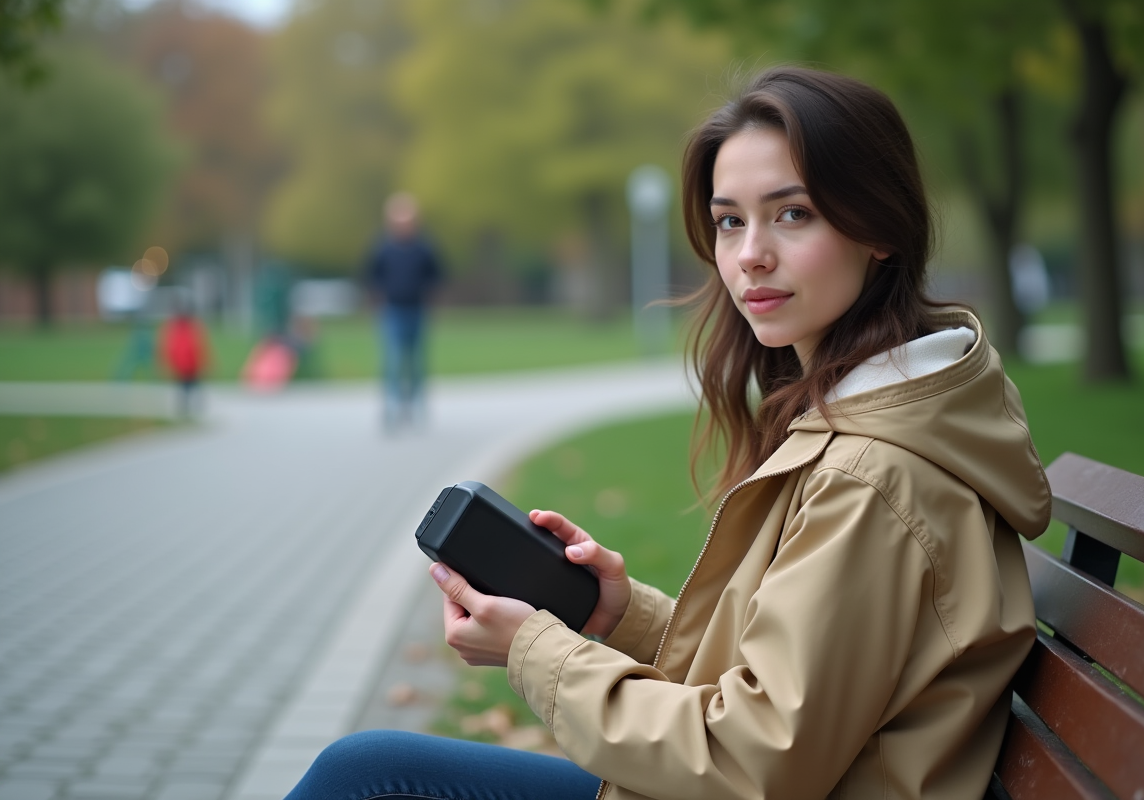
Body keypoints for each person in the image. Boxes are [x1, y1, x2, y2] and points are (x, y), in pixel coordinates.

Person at [285, 66, 1050, 800]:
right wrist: (615, 618)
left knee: (369, 777)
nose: (750, 254)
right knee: (368, 772)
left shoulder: (876, 480)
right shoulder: (875, 425)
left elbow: (751, 762)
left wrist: (533, 650)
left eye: (793, 213)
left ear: (878, 228)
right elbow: (787, 702)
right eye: (729, 221)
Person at [364, 192, 442, 430]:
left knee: (416, 363)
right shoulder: (383, 248)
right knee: (393, 361)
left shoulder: (423, 248)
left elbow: (437, 275)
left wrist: (429, 295)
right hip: (393, 310)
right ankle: (391, 407)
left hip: (417, 309)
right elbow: (371, 275)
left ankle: (416, 408)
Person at [159, 297, 208, 419]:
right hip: (183, 365)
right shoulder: (176, 328)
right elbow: (170, 348)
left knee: (191, 386)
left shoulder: (191, 327)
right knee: (185, 387)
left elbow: (199, 347)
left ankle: (191, 408)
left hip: (191, 364)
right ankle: (186, 408)